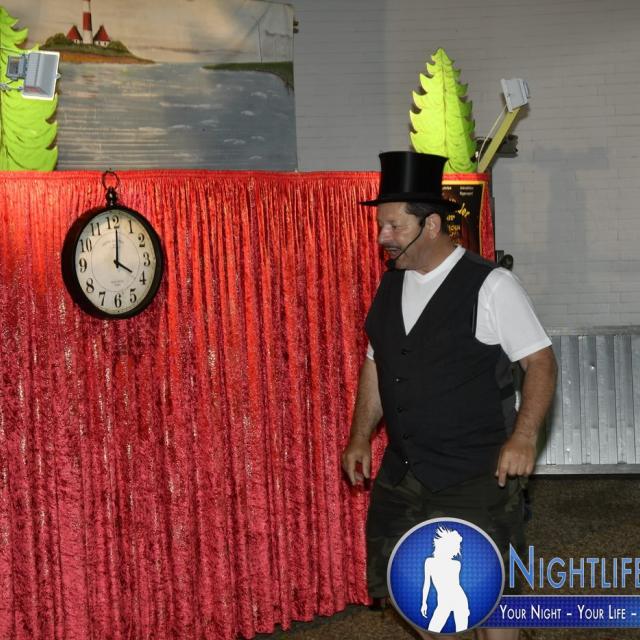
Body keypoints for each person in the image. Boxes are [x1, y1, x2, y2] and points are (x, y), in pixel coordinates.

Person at [341, 151, 557, 640]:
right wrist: (359, 436)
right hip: (404, 472)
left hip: (475, 473)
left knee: (491, 598)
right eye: (380, 225)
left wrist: (524, 437)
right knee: (407, 589)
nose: (383, 237)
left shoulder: (491, 285)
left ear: (432, 225)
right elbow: (377, 363)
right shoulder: (390, 285)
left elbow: (540, 362)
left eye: (394, 226)